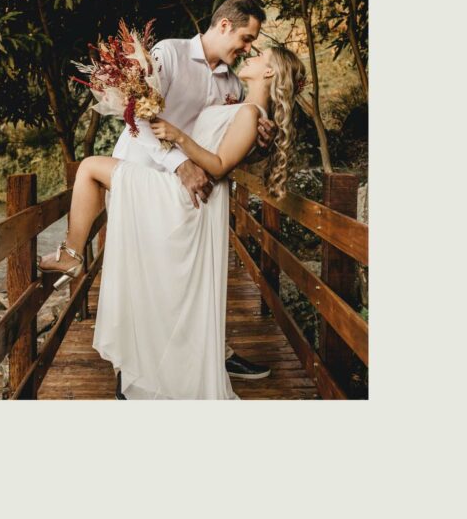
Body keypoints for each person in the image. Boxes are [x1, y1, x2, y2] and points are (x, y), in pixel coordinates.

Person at [38, 40, 306, 399]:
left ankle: (72, 255)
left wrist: (177, 135)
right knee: (98, 183)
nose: (250, 54)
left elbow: (220, 166)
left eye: (260, 56)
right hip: (179, 189)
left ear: (269, 72)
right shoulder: (243, 107)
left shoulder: (250, 114)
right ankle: (78, 263)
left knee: (88, 168)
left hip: (181, 197)